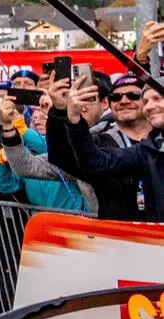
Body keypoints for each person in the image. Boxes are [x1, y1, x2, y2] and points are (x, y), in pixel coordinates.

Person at [47, 75, 164, 221]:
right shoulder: (98, 142)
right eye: (115, 97)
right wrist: (61, 113)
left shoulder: (153, 145)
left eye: (134, 95)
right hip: (124, 237)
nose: (124, 101)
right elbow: (63, 156)